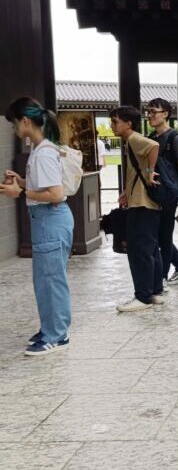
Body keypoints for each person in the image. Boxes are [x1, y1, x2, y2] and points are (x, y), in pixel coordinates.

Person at [1, 98, 74, 356]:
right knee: (46, 279)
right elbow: (43, 186)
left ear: (25, 121)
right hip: (47, 220)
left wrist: (19, 191)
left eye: (13, 123)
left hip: (50, 218)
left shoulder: (43, 152)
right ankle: (51, 328)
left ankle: (57, 334)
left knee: (51, 279)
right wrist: (21, 181)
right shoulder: (42, 149)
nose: (13, 129)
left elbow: (55, 193)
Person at [110, 106, 166, 312]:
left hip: (142, 204)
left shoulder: (134, 139)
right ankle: (155, 291)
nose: (112, 126)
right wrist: (128, 190)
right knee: (150, 248)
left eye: (115, 122)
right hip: (146, 202)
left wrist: (150, 172)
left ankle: (142, 296)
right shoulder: (130, 142)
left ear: (128, 124)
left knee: (138, 249)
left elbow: (153, 146)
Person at [147, 98, 178, 284]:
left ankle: (161, 278)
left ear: (166, 114)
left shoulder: (175, 138)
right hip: (153, 192)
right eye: (148, 112)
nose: (150, 115)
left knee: (164, 236)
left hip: (169, 195)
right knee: (156, 235)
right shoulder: (150, 138)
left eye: (154, 112)